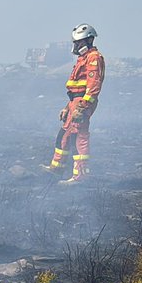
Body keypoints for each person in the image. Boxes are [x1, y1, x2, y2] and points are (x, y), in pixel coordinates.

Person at [43, 24, 104, 185]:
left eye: (79, 42)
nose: (76, 45)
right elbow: (76, 89)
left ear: (89, 40)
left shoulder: (94, 58)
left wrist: (83, 107)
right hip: (74, 102)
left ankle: (80, 176)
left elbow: (93, 85)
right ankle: (56, 168)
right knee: (64, 135)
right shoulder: (82, 59)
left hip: (82, 103)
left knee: (79, 136)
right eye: (75, 42)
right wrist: (67, 107)